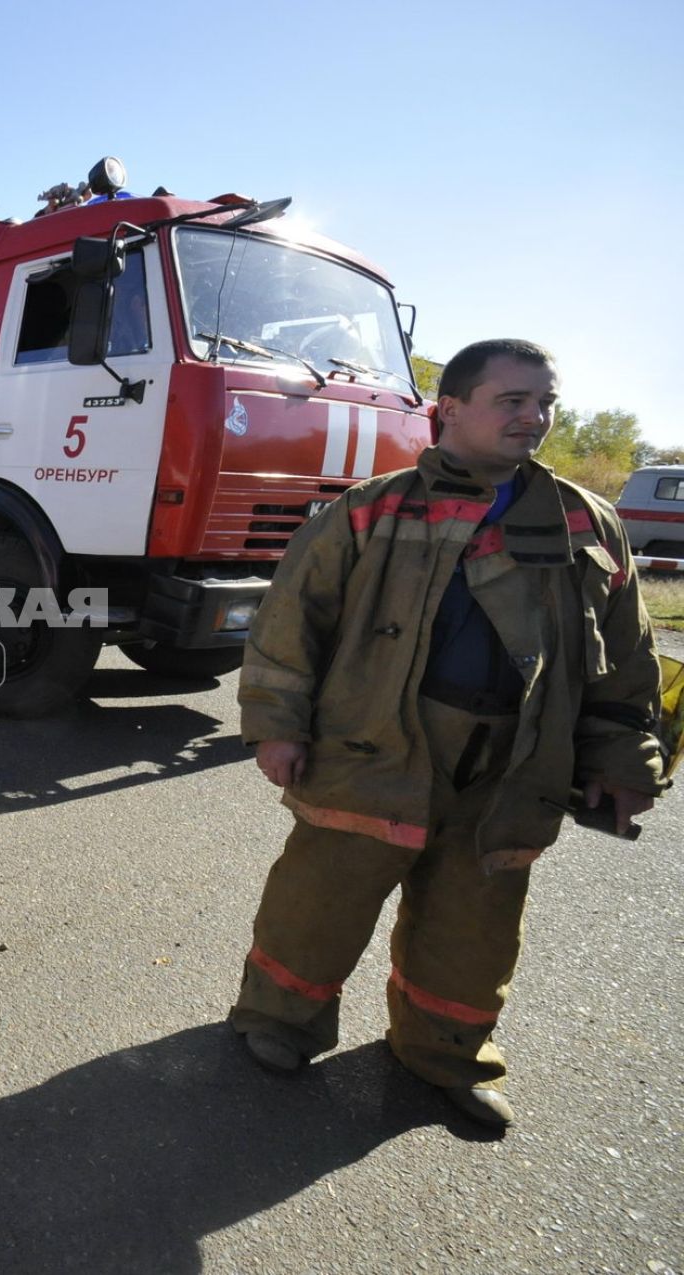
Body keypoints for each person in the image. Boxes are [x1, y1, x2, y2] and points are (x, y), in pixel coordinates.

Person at [229, 338, 666, 1131]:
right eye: (514, 401)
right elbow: (290, 625)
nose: (535, 417)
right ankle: (278, 1021)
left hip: (514, 764)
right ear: (451, 409)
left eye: (545, 403)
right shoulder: (371, 509)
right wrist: (274, 726)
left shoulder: (585, 521)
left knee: (476, 926)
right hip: (373, 749)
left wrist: (625, 759)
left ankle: (448, 1055)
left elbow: (625, 657)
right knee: (317, 901)